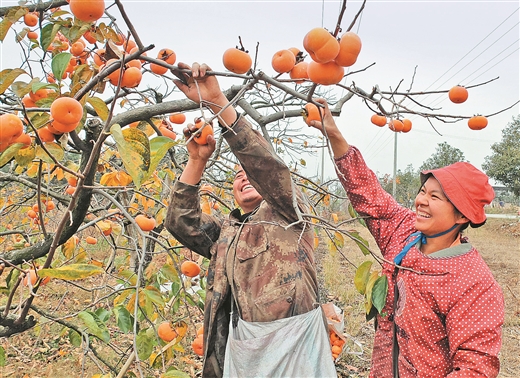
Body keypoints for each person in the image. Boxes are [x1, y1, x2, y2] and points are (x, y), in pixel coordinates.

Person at [308, 98, 504, 377]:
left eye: (435, 196)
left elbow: (475, 368)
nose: (421, 201)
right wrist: (334, 135)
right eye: (423, 191)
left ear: (462, 217)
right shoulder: (404, 233)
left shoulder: (473, 284)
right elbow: (367, 192)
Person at [164, 63, 336, 378]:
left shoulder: (289, 212)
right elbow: (180, 223)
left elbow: (267, 168)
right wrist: (196, 161)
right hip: (244, 349)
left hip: (296, 347)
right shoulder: (227, 231)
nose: (245, 178)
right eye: (238, 176)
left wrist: (217, 102)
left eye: (249, 174)